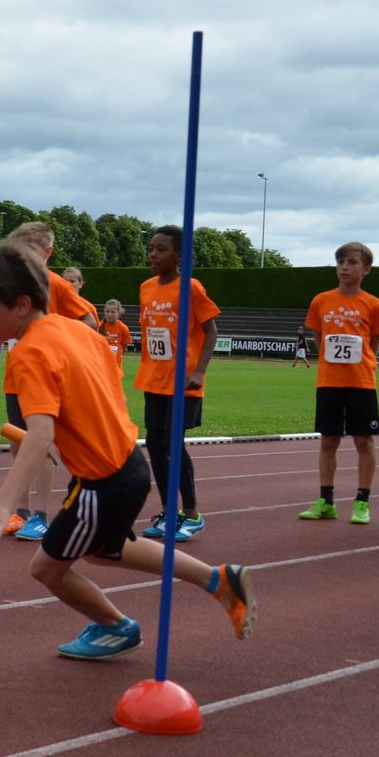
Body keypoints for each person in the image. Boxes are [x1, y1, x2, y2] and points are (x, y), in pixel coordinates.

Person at [0, 243, 254, 659]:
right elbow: (105, 391)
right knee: (104, 550)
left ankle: (117, 627)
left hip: (102, 483)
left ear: (22, 304)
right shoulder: (78, 330)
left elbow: (39, 434)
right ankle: (218, 579)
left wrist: (1, 504)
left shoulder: (28, 353)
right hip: (127, 464)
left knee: (47, 568)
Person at [0, 225, 99, 540]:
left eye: (28, 251)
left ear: (47, 252)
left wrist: (59, 344)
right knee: (18, 441)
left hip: (45, 376)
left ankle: (41, 516)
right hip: (16, 374)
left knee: (39, 443)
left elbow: (89, 322)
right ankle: (21, 511)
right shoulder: (13, 284)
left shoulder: (56, 284)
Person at [136, 225, 220, 540]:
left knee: (173, 445)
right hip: (154, 379)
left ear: (179, 255)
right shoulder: (146, 288)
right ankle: (169, 512)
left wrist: (199, 371)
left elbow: (211, 331)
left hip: (183, 381)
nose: (153, 255)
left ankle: (193, 514)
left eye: (161, 249)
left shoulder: (191, 288)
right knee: (155, 447)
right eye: (151, 248)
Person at [297, 242, 379, 525]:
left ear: (366, 269)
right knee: (329, 440)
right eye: (340, 263)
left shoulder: (374, 304)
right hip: (329, 381)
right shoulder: (321, 300)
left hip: (361, 382)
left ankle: (362, 501)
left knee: (363, 440)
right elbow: (319, 336)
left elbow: (374, 340)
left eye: (351, 262)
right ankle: (326, 501)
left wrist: (363, 361)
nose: (345, 268)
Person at [100, 299, 133, 364]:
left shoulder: (124, 328)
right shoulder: (99, 326)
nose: (109, 314)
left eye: (113, 312)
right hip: (102, 363)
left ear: (119, 313)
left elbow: (124, 347)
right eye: (107, 311)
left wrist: (117, 355)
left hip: (116, 364)